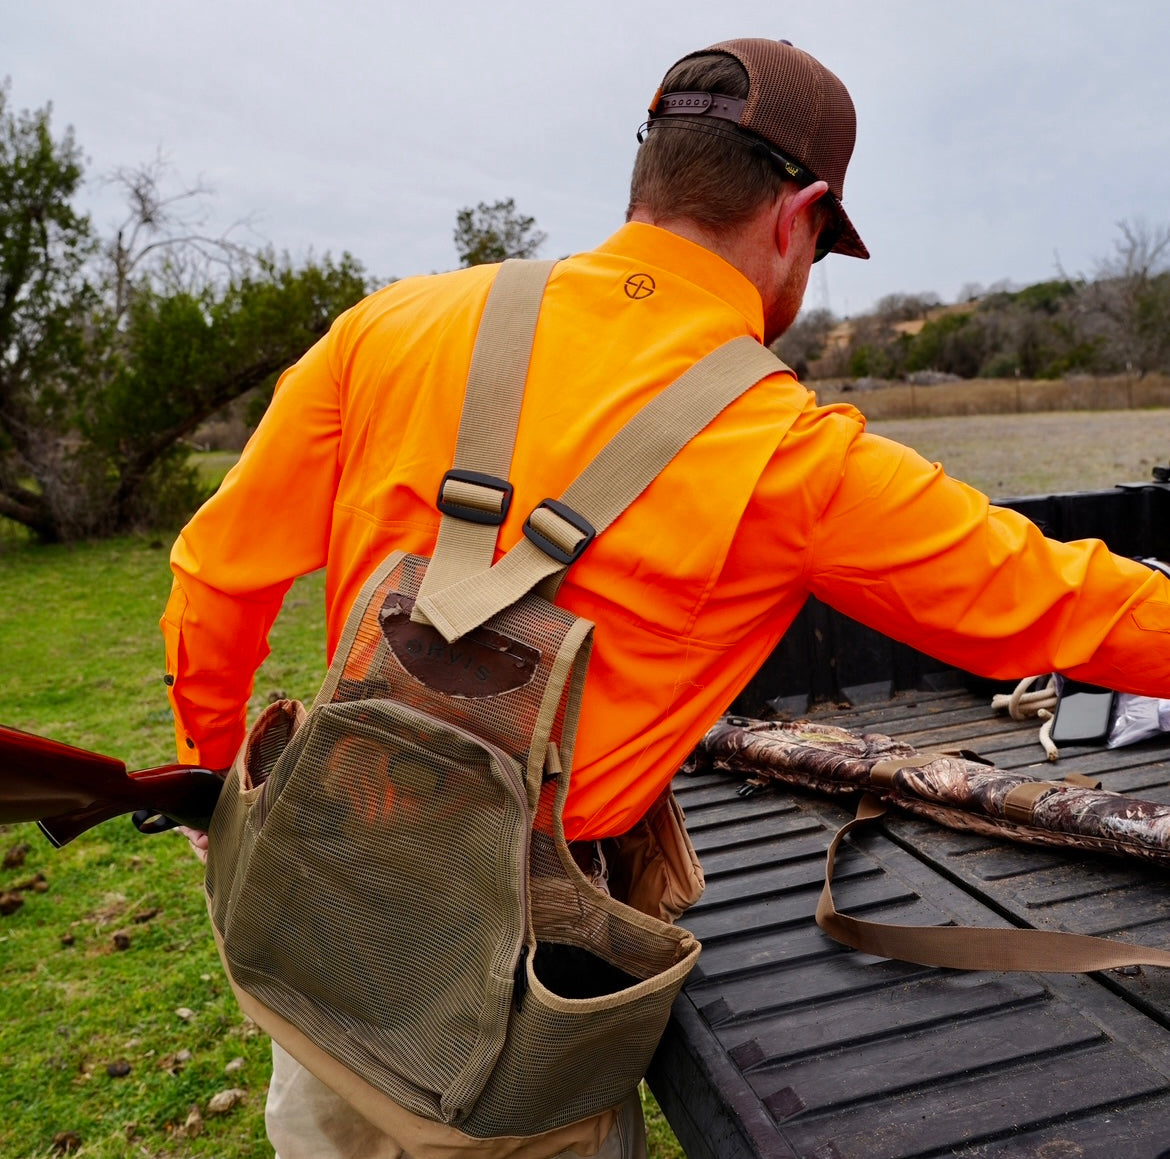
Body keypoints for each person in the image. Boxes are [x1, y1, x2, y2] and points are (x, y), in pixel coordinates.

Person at [162, 36, 1170, 1159]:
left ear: (647, 177)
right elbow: (1078, 605)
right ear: (802, 215)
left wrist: (213, 780)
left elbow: (214, 574)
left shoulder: (388, 326)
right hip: (510, 1020)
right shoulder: (791, 451)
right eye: (822, 248)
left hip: (317, 921)